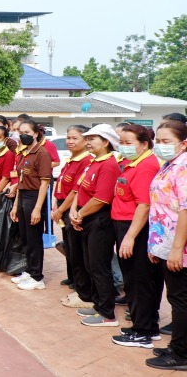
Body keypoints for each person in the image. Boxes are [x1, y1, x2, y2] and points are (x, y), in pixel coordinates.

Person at [109, 124, 160, 348]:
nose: (123, 147)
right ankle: (147, 326)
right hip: (126, 225)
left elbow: (144, 205)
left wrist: (129, 237)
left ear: (144, 144)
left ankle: (142, 332)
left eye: (128, 143)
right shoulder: (133, 163)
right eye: (121, 142)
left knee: (138, 281)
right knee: (135, 280)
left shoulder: (146, 166)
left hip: (135, 228)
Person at [69, 123, 122, 327]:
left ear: (106, 142)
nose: (88, 142)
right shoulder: (93, 162)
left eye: (93, 139)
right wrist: (75, 211)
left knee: (100, 267)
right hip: (86, 217)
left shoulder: (109, 165)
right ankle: (99, 304)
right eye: (88, 138)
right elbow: (81, 189)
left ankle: (107, 313)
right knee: (91, 264)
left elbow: (101, 199)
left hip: (99, 220)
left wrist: (80, 214)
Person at [145, 120, 187, 370]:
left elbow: (185, 210)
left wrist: (174, 249)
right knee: (175, 298)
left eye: (166, 141)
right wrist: (156, 246)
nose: (160, 146)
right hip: (166, 242)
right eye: (158, 141)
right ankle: (177, 346)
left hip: (179, 247)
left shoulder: (184, 168)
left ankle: (181, 354)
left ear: (183, 143)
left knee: (181, 299)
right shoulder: (170, 164)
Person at [8, 119, 52, 291]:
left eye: (27, 132)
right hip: (23, 196)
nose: (23, 135)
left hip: (34, 197)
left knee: (34, 238)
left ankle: (37, 276)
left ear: (35, 133)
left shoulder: (42, 153)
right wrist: (15, 205)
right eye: (21, 132)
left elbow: (44, 183)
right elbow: (20, 181)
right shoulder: (24, 153)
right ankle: (29, 269)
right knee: (25, 237)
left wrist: (37, 209)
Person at [52, 125, 93, 306]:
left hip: (73, 209)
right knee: (69, 247)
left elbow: (75, 191)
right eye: (68, 137)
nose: (70, 141)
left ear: (86, 141)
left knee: (77, 251)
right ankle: (75, 281)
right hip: (62, 206)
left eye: (75, 138)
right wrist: (56, 204)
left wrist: (62, 210)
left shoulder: (86, 161)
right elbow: (62, 185)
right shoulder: (72, 159)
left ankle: (82, 289)